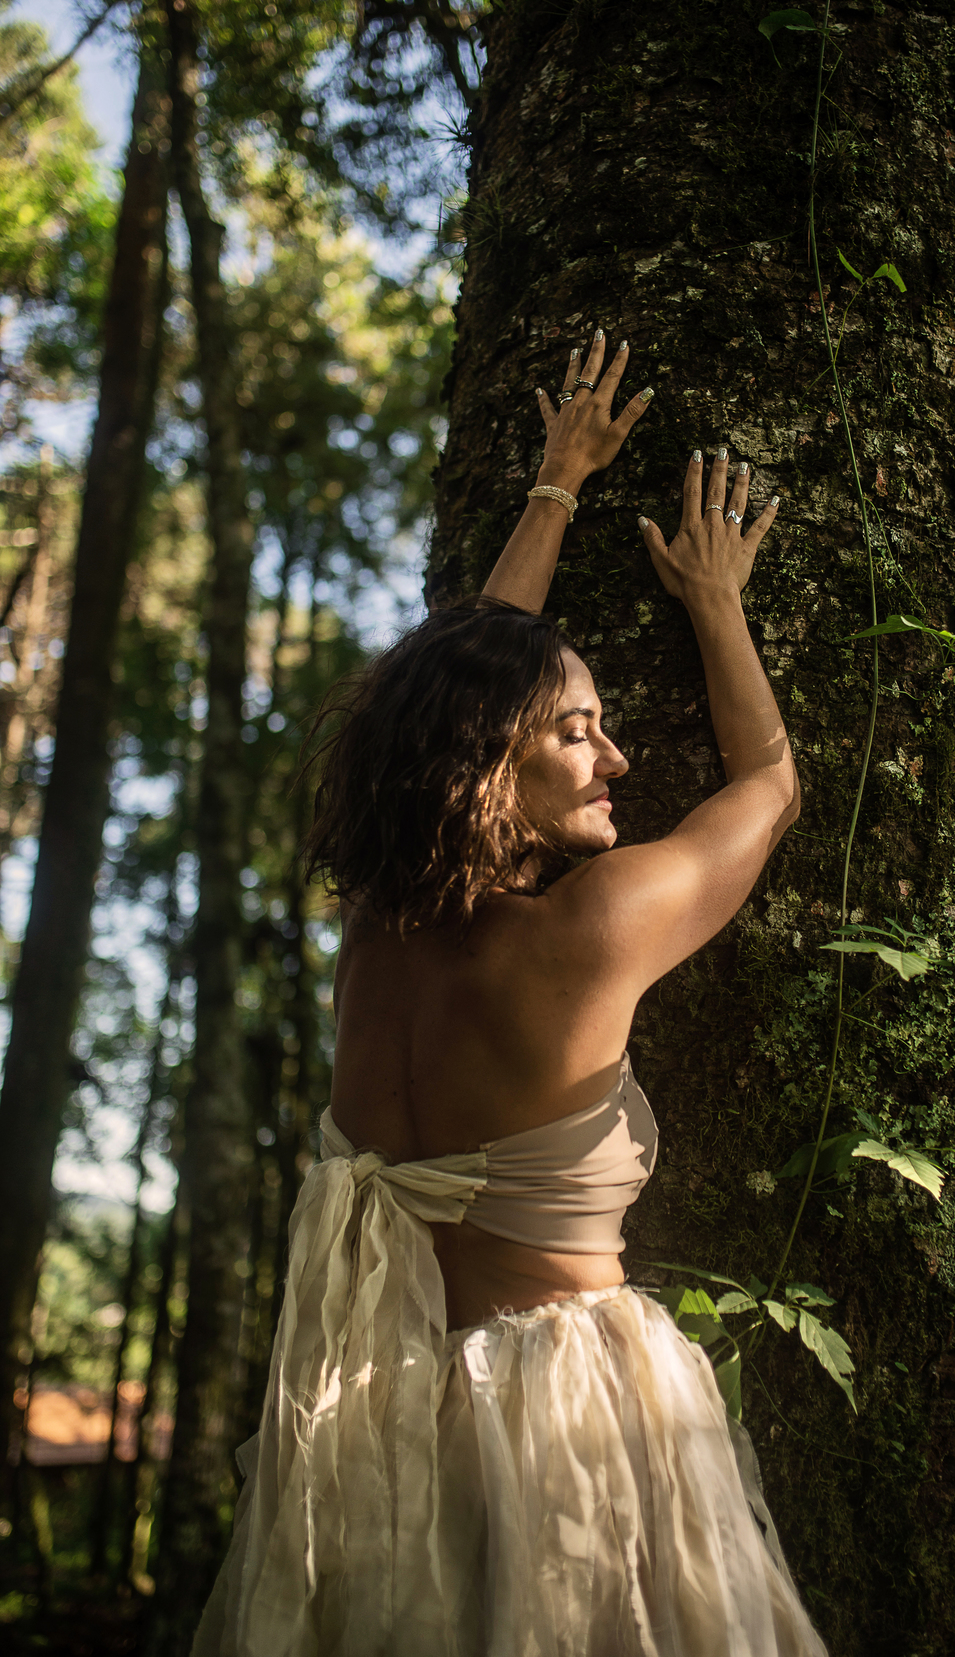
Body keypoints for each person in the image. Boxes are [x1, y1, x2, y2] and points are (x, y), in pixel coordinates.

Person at [192, 329, 827, 1657]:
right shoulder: (589, 930)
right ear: (491, 762)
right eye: (579, 731)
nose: (617, 756)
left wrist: (556, 487)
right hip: (565, 1424)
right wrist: (716, 599)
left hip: (390, 1438)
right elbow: (768, 788)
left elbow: (456, 680)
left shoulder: (378, 932)